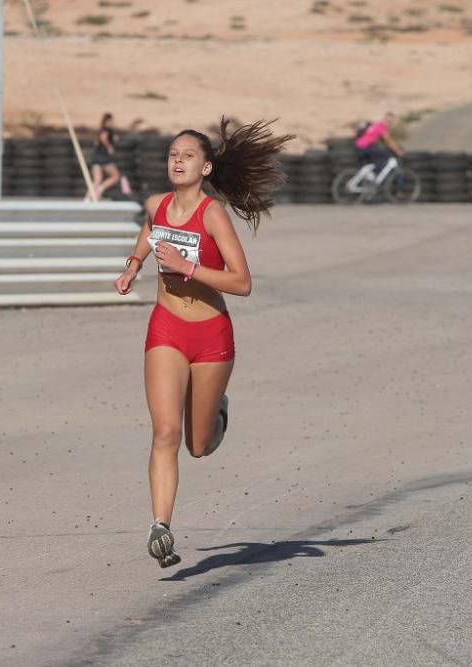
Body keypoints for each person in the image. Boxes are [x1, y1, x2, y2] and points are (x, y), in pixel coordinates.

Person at [114, 118, 293, 568]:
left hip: (211, 335)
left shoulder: (213, 214)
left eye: (188, 155)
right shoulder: (156, 204)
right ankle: (161, 526)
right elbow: (148, 235)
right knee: (165, 432)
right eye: (173, 154)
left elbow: (242, 282)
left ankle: (218, 411)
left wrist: (187, 268)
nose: (178, 160)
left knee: (198, 443)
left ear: (206, 168)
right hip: (166, 329)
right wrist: (134, 266)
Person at [90, 112, 121, 200]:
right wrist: (109, 147)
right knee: (115, 176)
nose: (111, 123)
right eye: (110, 121)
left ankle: (88, 197)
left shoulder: (105, 130)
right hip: (104, 158)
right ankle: (101, 188)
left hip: (96, 157)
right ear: (106, 121)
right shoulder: (105, 130)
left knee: (97, 179)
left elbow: (97, 142)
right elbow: (103, 138)